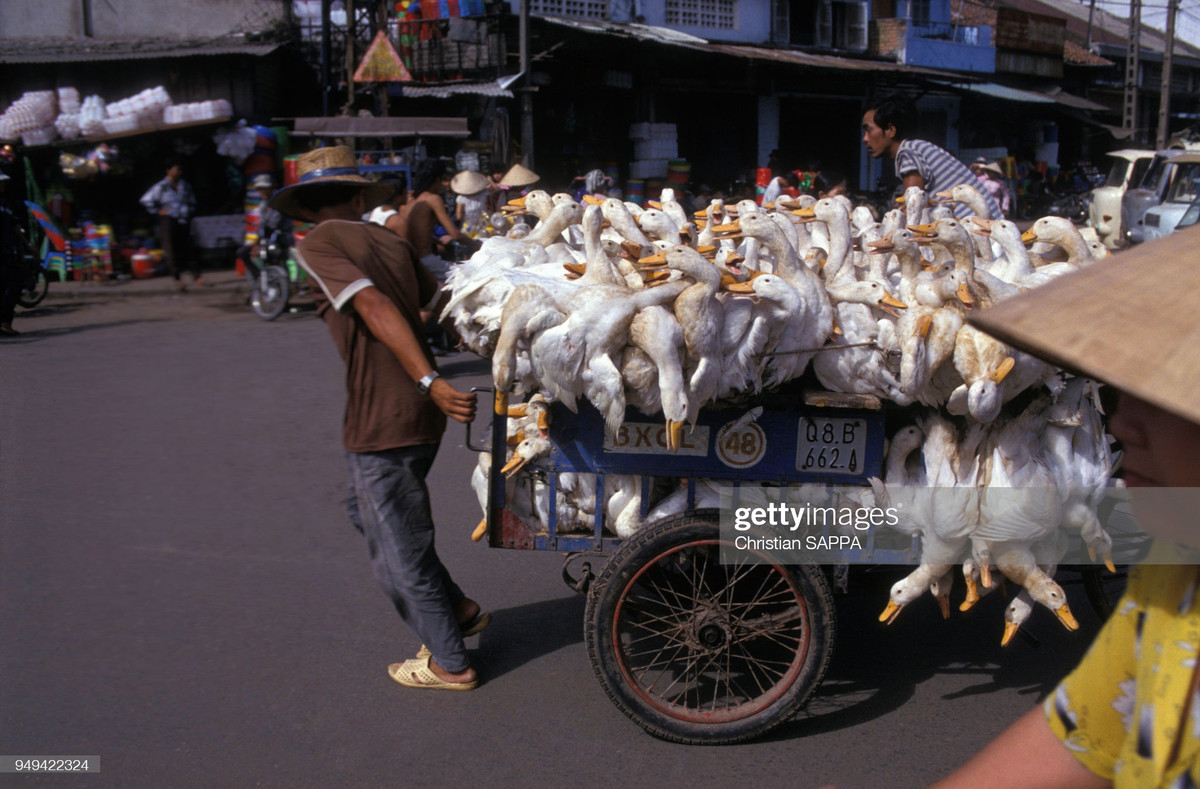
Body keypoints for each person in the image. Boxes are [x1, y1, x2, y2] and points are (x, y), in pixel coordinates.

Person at [925, 224, 1200, 787]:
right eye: (1124, 391)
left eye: (1165, 392)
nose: (1122, 425)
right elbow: (1081, 740)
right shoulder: (1175, 584)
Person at [268, 146, 486, 691]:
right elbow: (437, 303)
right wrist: (428, 372)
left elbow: (374, 307)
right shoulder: (388, 240)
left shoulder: (318, 242)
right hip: (418, 411)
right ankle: (455, 607)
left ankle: (449, 663)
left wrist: (429, 380)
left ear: (307, 204)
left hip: (386, 413)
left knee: (396, 549)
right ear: (360, 196)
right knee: (369, 511)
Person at [862, 95, 1002, 220]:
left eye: (868, 130)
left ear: (891, 130)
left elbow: (911, 212)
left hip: (980, 230)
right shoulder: (918, 148)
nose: (865, 139)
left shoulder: (907, 153)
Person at [140, 158, 202, 290]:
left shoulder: (184, 185)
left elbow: (192, 200)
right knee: (172, 249)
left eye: (180, 169)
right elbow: (146, 200)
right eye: (176, 169)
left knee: (190, 248)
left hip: (184, 219)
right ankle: (177, 278)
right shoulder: (161, 187)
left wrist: (189, 210)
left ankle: (197, 276)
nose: (179, 172)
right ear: (169, 170)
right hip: (169, 220)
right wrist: (158, 211)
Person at [0, 172, 23, 337]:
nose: (2, 185)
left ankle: (5, 323)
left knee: (13, 285)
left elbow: (14, 225)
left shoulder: (5, 203)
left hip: (7, 251)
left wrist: (28, 244)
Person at [450, 170, 489, 238]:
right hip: (483, 224)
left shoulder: (461, 198)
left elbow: (459, 216)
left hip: (468, 227)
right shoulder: (484, 194)